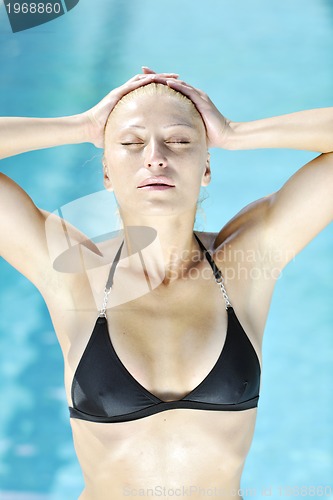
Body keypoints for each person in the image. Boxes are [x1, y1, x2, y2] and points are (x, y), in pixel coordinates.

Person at [0, 66, 332, 499]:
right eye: (131, 143)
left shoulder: (246, 263)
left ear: (207, 166)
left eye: (179, 140)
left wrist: (234, 132)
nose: (155, 156)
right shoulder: (72, 270)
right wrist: (80, 126)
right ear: (105, 171)